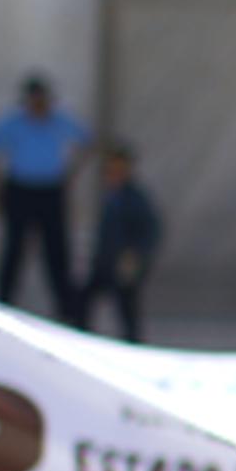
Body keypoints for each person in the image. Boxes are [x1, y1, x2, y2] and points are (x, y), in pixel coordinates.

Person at [0, 73, 92, 321]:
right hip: (20, 190)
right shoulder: (13, 122)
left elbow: (86, 142)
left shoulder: (60, 120)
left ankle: (67, 310)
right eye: (34, 100)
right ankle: (2, 305)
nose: (38, 105)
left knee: (57, 251)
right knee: (14, 249)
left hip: (50, 190)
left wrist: (70, 174)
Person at [74, 140, 164, 344]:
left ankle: (134, 348)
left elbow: (150, 231)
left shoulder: (135, 198)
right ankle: (82, 341)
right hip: (105, 263)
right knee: (82, 302)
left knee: (127, 311)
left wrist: (135, 256)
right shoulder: (111, 194)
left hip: (123, 264)